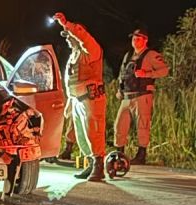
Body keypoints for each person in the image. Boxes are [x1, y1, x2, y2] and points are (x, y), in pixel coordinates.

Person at [53, 12, 106, 181]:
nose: (67, 38)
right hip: (77, 100)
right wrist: (70, 102)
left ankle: (99, 166)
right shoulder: (74, 55)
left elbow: (84, 38)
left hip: (90, 100)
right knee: (81, 135)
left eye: (70, 35)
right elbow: (71, 80)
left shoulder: (91, 50)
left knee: (93, 133)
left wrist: (67, 24)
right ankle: (91, 164)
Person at [113, 28, 169, 165]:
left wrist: (147, 74)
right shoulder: (128, 56)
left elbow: (165, 70)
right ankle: (119, 154)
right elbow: (122, 74)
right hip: (126, 97)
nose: (135, 41)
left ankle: (141, 155)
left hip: (142, 96)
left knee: (142, 125)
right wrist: (119, 90)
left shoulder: (151, 55)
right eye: (133, 38)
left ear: (145, 40)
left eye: (138, 38)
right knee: (119, 125)